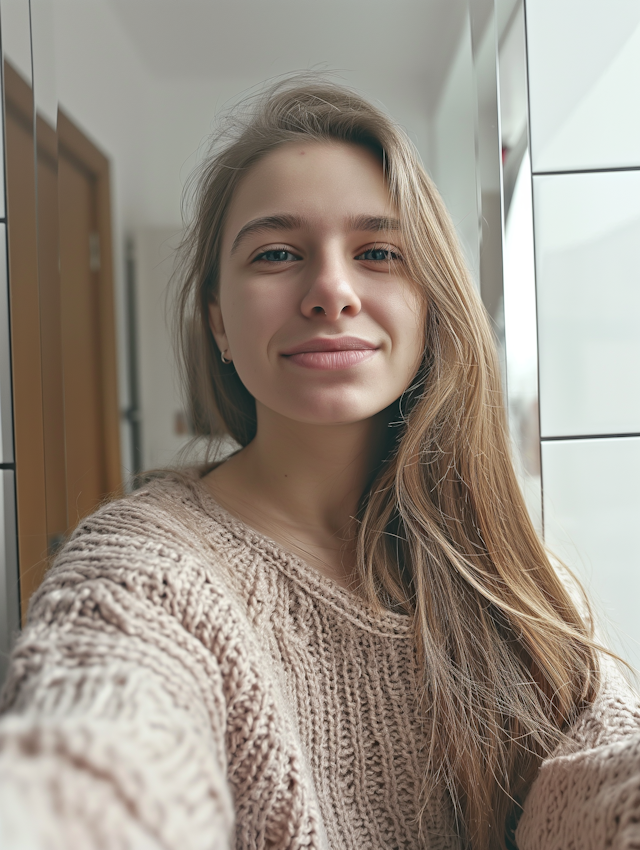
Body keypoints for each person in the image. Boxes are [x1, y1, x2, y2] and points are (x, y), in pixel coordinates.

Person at [0, 77, 639, 850]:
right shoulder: (144, 572)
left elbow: (601, 771)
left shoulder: (512, 572)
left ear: (433, 303)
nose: (332, 291)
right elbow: (102, 747)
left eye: (378, 252)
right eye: (276, 254)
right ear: (219, 326)